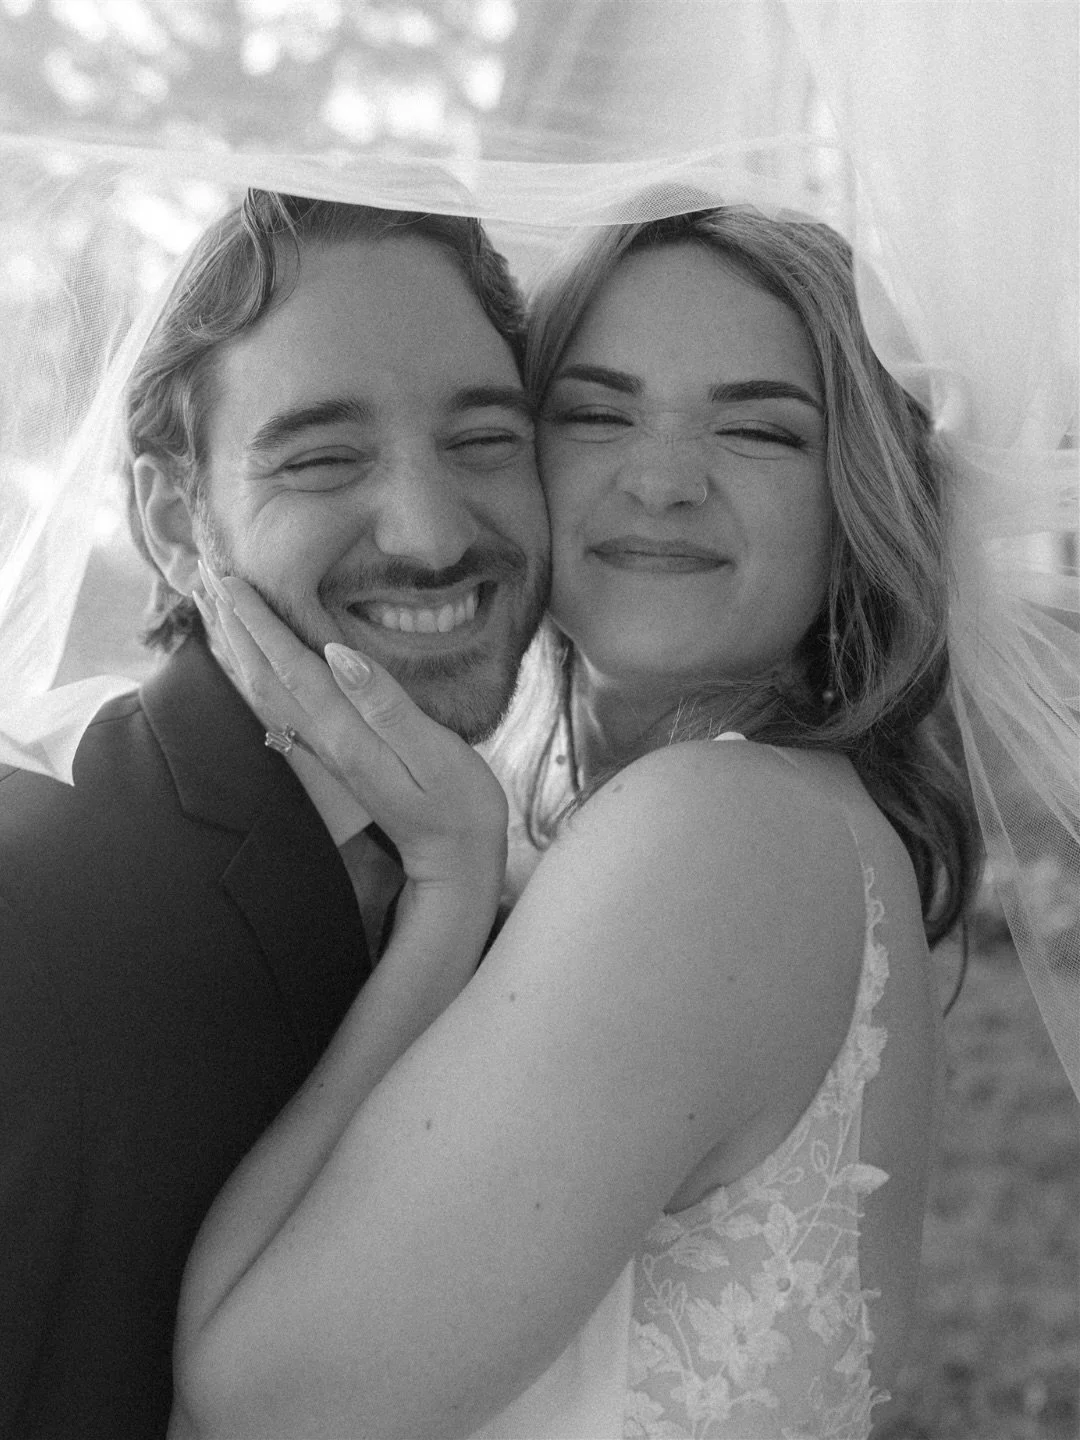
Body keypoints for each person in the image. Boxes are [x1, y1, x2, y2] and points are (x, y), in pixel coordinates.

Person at [167, 207, 983, 1440]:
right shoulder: (781, 812)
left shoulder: (717, 834)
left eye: (760, 427)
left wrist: (448, 890)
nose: (661, 479)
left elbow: (261, 1400)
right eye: (596, 412)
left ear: (855, 498)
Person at [0, 190, 549, 1440]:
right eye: (321, 458)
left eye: (482, 440)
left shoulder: (537, 867)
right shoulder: (31, 922)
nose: (430, 533)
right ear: (175, 517)